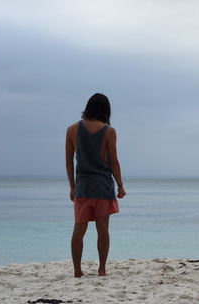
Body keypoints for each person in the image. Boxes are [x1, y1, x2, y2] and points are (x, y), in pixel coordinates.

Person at [65, 93, 126, 277]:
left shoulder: (72, 129)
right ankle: (101, 269)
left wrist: (72, 186)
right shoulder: (109, 131)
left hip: (83, 187)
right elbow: (113, 161)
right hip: (102, 188)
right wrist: (120, 185)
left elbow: (69, 162)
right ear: (106, 110)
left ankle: (77, 271)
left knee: (79, 229)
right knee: (103, 230)